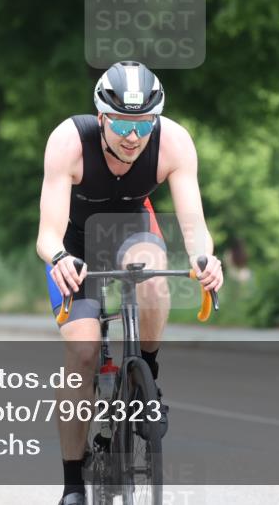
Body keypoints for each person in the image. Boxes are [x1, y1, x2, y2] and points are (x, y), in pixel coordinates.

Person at [36, 61, 224, 505]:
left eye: (143, 124)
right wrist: (59, 257)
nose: (133, 136)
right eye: (121, 123)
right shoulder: (69, 142)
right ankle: (72, 486)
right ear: (101, 116)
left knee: (154, 278)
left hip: (132, 229)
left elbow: (194, 226)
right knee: (81, 352)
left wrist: (205, 258)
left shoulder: (174, 142)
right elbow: (47, 233)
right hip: (73, 244)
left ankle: (147, 380)